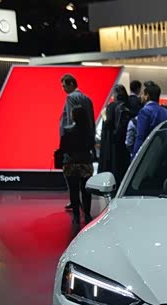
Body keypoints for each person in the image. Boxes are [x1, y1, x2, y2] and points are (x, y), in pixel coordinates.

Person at [59, 73, 95, 210]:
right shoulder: (87, 98)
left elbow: (70, 120)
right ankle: (85, 208)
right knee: (85, 181)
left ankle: (74, 203)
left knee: (72, 177)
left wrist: (67, 137)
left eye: (64, 86)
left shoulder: (70, 98)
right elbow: (91, 121)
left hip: (73, 146)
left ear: (71, 84)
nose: (63, 89)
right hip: (86, 144)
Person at [60, 106, 96, 226]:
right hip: (85, 164)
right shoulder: (89, 131)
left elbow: (63, 148)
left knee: (73, 191)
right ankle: (87, 214)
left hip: (71, 164)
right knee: (86, 191)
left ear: (74, 116)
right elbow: (91, 146)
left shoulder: (67, 130)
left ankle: (76, 216)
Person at [132, 81, 167, 156]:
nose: (141, 96)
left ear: (147, 96)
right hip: (164, 152)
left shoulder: (144, 112)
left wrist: (135, 156)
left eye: (142, 94)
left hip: (148, 153)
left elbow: (140, 137)